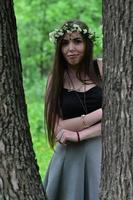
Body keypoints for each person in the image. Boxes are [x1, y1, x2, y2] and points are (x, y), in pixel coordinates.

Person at [44, 19, 103, 200]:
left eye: (77, 41)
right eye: (65, 43)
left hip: (100, 152)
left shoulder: (101, 67)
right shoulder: (55, 79)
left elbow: (121, 119)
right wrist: (102, 113)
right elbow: (57, 128)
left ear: (87, 43)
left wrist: (78, 134)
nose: (71, 48)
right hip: (68, 157)